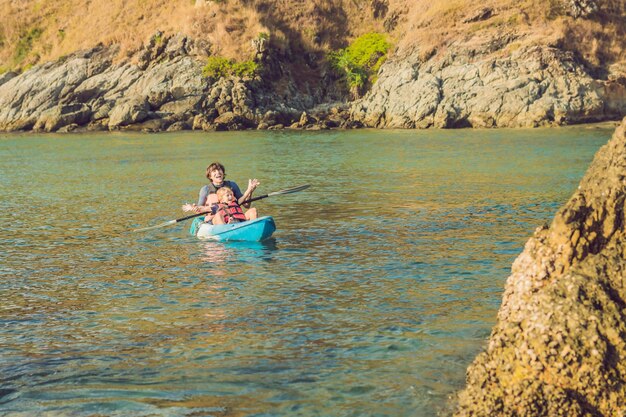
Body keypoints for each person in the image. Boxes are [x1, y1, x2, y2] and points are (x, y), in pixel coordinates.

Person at [182, 162, 260, 221]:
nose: (218, 172)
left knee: (253, 210)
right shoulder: (205, 190)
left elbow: (246, 205)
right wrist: (193, 208)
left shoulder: (232, 185)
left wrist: (250, 191)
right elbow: (200, 209)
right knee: (219, 216)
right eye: (214, 171)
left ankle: (255, 230)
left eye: (219, 170)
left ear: (223, 173)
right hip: (215, 220)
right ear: (210, 176)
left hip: (235, 217)